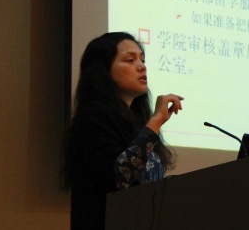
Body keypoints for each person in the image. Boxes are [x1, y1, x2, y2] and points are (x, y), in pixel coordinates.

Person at [63, 32, 183, 230]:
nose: (142, 66)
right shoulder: (93, 117)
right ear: (103, 70)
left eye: (142, 59)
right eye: (130, 60)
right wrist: (155, 122)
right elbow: (119, 176)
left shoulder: (136, 123)